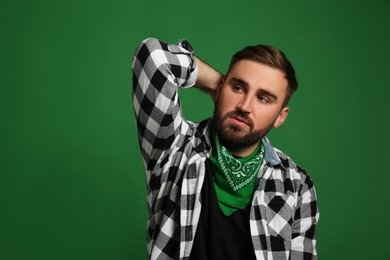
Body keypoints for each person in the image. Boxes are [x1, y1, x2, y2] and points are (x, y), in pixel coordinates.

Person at [131, 38, 319, 260]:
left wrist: (229, 87)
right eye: (238, 87)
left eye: (263, 98)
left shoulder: (297, 185)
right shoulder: (175, 147)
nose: (244, 106)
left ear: (280, 116)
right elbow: (154, 57)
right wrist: (215, 83)